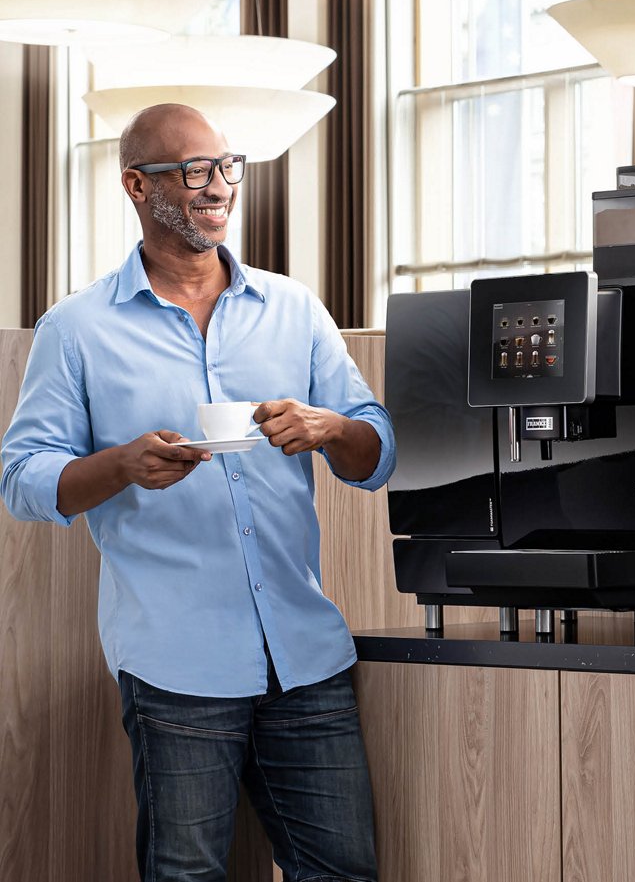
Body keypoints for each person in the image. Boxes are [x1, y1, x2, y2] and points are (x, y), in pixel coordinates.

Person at [1, 104, 393, 882]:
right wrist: (120, 465)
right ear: (137, 185)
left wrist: (329, 428)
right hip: (175, 668)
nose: (216, 187)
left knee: (344, 873)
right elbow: (22, 478)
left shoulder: (295, 310)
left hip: (306, 658)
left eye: (225, 167)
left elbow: (374, 453)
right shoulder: (76, 330)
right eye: (193, 170)